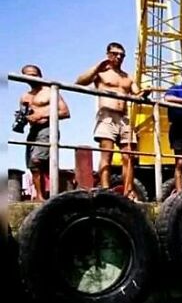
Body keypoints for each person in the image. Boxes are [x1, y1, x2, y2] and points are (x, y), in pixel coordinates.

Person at [75, 42, 144, 198]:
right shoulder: (101, 73)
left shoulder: (128, 77)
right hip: (107, 116)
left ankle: (129, 191)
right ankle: (105, 190)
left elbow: (137, 95)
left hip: (125, 118)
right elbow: (80, 81)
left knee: (129, 157)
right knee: (107, 154)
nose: (119, 57)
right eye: (115, 54)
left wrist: (144, 93)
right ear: (108, 54)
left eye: (122, 55)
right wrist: (99, 65)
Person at [17, 64, 70, 201]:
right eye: (27, 75)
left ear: (40, 75)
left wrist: (41, 115)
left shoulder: (49, 91)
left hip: (47, 129)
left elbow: (65, 112)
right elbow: (24, 117)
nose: (31, 77)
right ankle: (40, 196)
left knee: (37, 160)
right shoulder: (25, 97)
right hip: (33, 131)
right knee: (33, 166)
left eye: (34, 75)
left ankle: (54, 193)